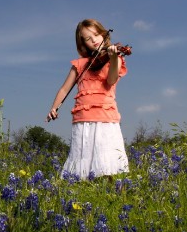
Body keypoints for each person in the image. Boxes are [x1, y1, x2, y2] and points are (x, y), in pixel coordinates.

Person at [46, 19, 129, 180]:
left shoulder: (115, 58)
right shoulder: (80, 64)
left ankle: (111, 196)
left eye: (96, 35)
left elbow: (111, 80)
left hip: (106, 118)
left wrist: (112, 59)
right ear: (82, 44)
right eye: (88, 39)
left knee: (107, 161)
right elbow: (64, 89)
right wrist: (54, 107)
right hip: (82, 119)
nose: (94, 40)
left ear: (104, 34)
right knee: (81, 159)